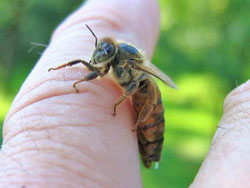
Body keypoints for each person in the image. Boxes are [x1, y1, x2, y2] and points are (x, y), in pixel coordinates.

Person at [1, 0, 249, 187]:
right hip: (136, 90)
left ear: (115, 56)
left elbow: (143, 83)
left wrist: (118, 104)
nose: (97, 56)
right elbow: (93, 65)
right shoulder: (110, 58)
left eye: (103, 52)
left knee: (148, 89)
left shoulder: (128, 61)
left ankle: (149, 143)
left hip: (146, 95)